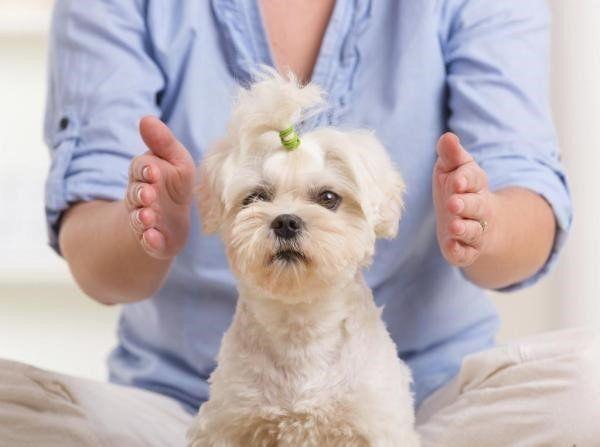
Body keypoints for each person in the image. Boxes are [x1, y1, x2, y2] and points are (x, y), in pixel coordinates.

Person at [1, 0, 598, 446]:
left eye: (326, 199)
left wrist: (482, 223)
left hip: (435, 404)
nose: (286, 220)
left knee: (588, 385)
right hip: (178, 403)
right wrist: (150, 230)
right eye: (258, 198)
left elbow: (527, 194)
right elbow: (98, 264)